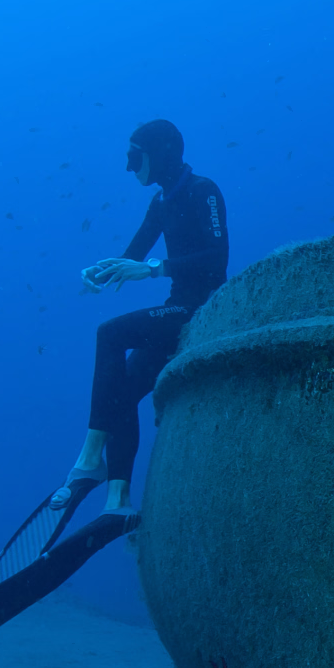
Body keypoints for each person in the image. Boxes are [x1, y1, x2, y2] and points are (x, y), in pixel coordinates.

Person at [53, 119, 228, 528]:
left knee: (110, 333)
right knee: (121, 390)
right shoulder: (161, 202)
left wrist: (153, 270)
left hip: (200, 310)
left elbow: (217, 259)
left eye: (135, 157)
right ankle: (119, 499)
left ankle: (90, 457)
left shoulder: (204, 192)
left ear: (160, 154)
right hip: (176, 307)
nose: (130, 167)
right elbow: (132, 255)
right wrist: (102, 272)